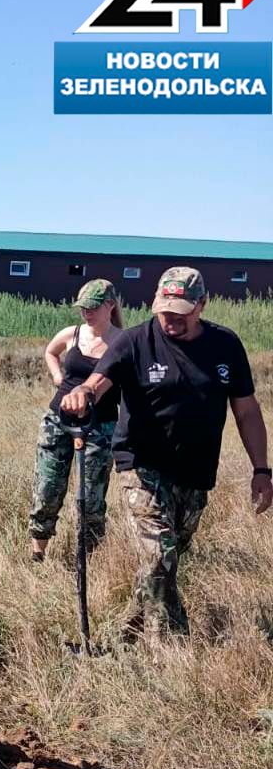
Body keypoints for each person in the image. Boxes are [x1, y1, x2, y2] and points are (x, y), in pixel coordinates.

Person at [62, 266, 271, 639]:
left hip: (195, 471)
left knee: (163, 562)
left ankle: (127, 632)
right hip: (141, 463)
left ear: (202, 305)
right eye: (164, 308)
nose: (170, 317)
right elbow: (99, 380)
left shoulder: (226, 345)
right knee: (160, 553)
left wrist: (262, 469)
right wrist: (84, 393)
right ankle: (171, 650)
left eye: (181, 310)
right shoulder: (135, 341)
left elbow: (247, 411)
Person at [28, 279, 125, 562]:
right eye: (83, 308)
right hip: (58, 421)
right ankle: (37, 554)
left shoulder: (123, 341)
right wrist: (58, 377)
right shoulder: (73, 333)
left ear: (110, 305)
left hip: (100, 426)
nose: (86, 313)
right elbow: (50, 351)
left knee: (90, 498)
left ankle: (88, 559)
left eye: (93, 307)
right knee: (47, 488)